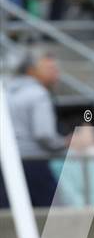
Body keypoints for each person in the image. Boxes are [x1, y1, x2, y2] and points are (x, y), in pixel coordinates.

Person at [4, 49, 68, 207]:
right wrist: (64, 143)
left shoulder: (8, 92)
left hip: (8, 162)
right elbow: (44, 134)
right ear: (32, 71)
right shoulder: (39, 94)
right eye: (50, 68)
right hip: (34, 163)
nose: (56, 74)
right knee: (52, 215)